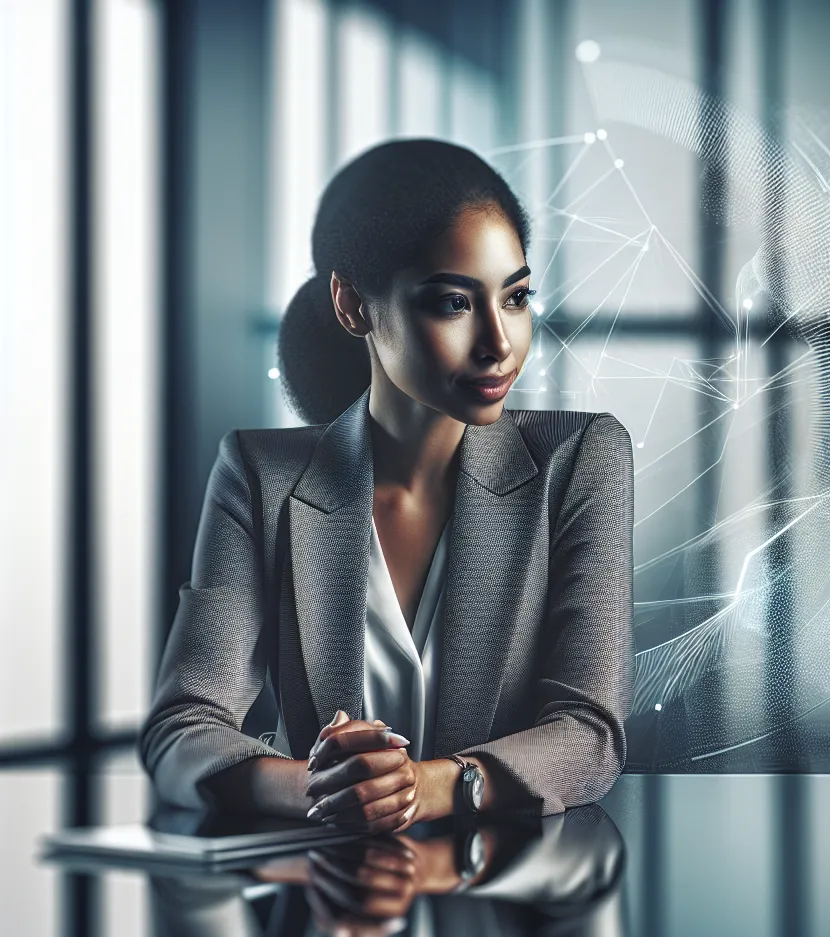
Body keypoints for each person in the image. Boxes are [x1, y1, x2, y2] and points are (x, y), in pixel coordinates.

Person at [140, 139, 634, 828]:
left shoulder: (579, 459)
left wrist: (424, 787)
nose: (500, 341)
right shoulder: (262, 477)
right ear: (352, 305)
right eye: (453, 303)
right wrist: (321, 787)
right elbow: (181, 728)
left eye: (516, 297)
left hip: (498, 897)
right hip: (324, 901)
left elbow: (590, 733)